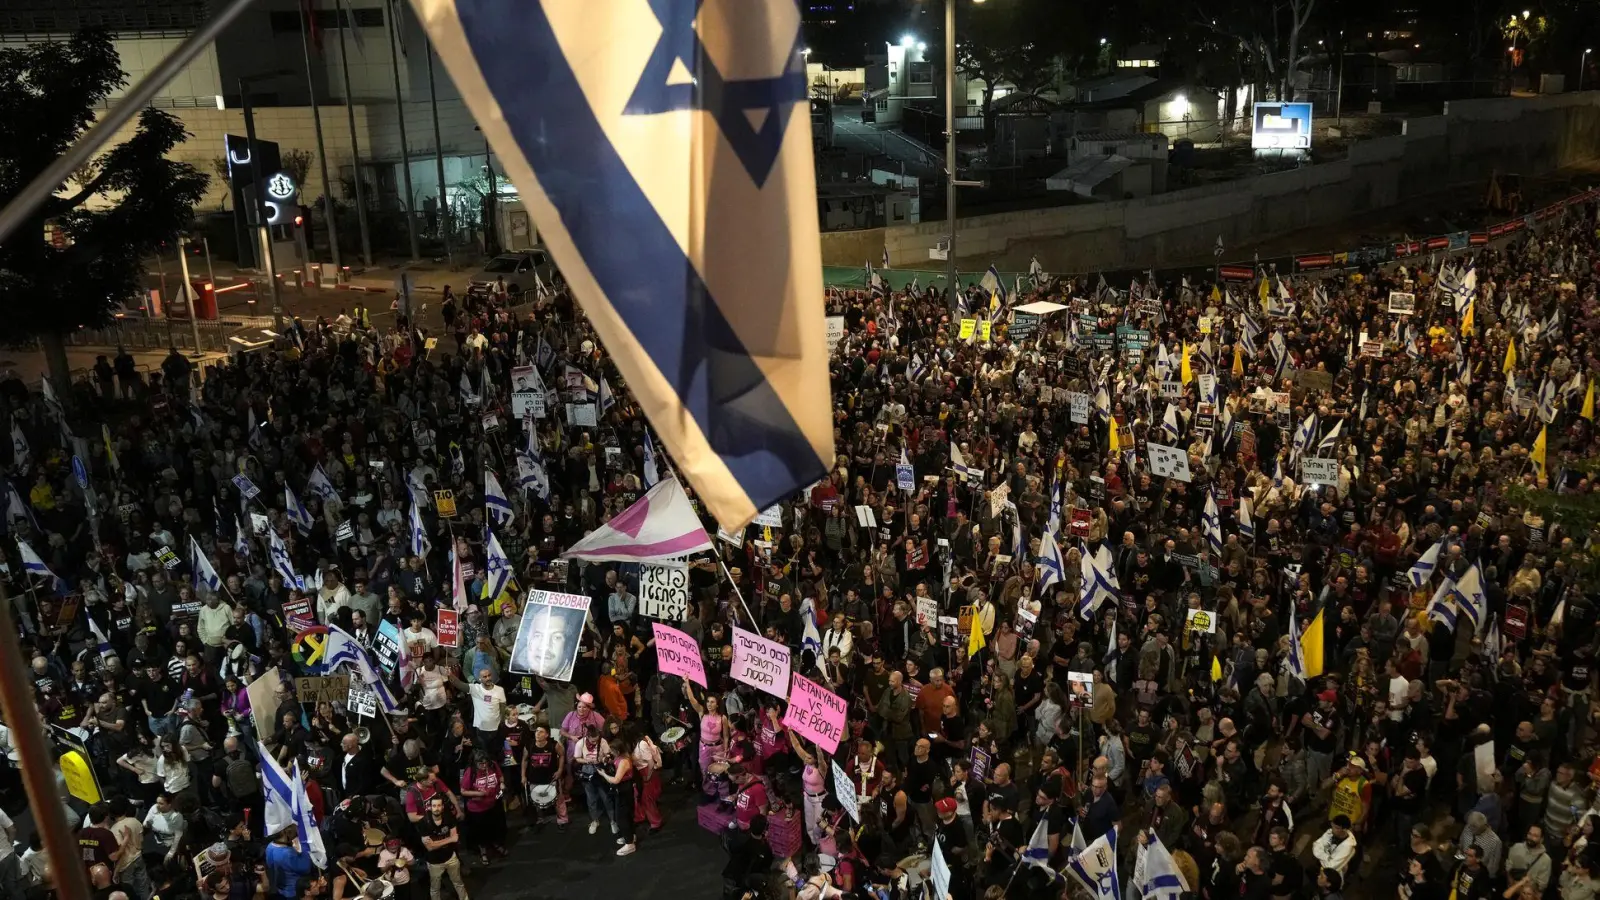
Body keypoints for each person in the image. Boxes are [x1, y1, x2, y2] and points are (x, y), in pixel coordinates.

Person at [420, 795, 469, 900]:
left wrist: (436, 843)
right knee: (435, 888)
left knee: (458, 882)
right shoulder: (424, 822)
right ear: (430, 807)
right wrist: (449, 839)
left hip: (451, 857)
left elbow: (455, 838)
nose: (436, 808)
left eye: (438, 805)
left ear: (442, 807)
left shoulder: (449, 817)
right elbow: (430, 848)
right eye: (434, 806)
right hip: (434, 862)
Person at [598, 734, 638, 856]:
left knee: (622, 817)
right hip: (622, 790)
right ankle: (630, 836)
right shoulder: (619, 758)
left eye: (612, 751)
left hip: (624, 790)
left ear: (617, 750)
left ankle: (630, 844)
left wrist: (603, 774)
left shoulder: (624, 761)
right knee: (624, 815)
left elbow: (616, 780)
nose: (610, 753)